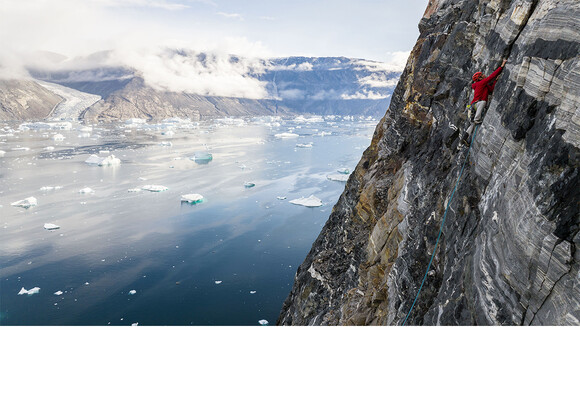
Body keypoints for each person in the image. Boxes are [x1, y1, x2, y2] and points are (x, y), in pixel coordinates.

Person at [463, 58, 507, 143]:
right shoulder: (481, 83)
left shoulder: (483, 85)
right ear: (480, 78)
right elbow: (492, 76)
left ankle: (465, 137)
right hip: (477, 104)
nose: (484, 75)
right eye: (482, 75)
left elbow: (491, 90)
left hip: (473, 106)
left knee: (473, 124)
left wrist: (496, 81)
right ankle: (477, 118)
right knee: (483, 102)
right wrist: (502, 66)